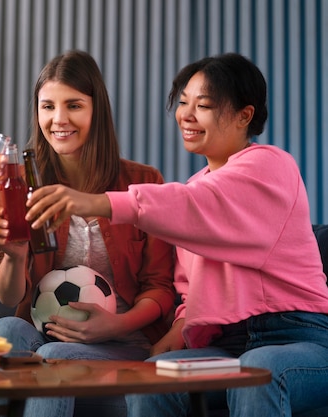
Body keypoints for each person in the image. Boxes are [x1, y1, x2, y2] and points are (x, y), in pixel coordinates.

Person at [26, 52, 328, 416]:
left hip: (299, 336)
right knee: (152, 378)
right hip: (227, 344)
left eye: (203, 105)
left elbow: (197, 204)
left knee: (258, 371)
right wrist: (178, 331)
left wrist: (95, 203)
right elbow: (190, 289)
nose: (186, 114)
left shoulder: (270, 165)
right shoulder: (194, 189)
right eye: (183, 103)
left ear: (244, 116)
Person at [0, 50, 176, 416]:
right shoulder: (18, 183)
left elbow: (160, 287)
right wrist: (13, 256)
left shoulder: (142, 182)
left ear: (96, 111)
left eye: (74, 105)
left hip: (124, 341)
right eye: (47, 107)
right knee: (7, 328)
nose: (59, 119)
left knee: (54, 357)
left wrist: (115, 325)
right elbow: (7, 294)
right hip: (45, 333)